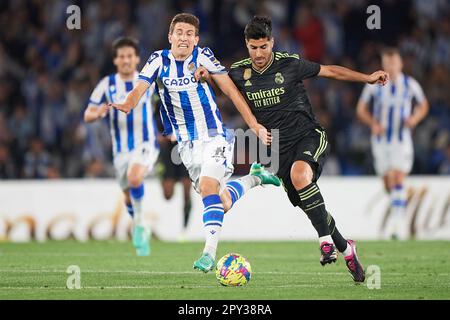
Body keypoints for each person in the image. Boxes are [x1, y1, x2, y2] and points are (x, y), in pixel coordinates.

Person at [196, 16, 389, 283]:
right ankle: (345, 248)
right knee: (312, 207)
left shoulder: (290, 64)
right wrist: (207, 79)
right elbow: (226, 94)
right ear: (247, 45)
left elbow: (330, 70)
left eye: (264, 47)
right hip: (278, 153)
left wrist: (366, 78)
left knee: (301, 177)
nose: (259, 53)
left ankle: (324, 243)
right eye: (254, 47)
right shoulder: (239, 72)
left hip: (308, 136)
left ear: (272, 42)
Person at [110, 13, 280, 273]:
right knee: (220, 201)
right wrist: (127, 104)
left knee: (208, 187)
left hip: (214, 136)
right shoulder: (158, 60)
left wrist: (254, 125)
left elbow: (231, 91)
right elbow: (140, 88)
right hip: (186, 147)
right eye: (179, 32)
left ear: (196, 40)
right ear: (170, 37)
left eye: (190, 34)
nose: (184, 37)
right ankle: (255, 178)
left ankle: (208, 255)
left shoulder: (203, 57)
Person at [84, 37, 160, 256]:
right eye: (122, 56)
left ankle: (139, 225)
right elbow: (87, 114)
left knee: (135, 177)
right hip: (120, 150)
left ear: (137, 59)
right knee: (128, 195)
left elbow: (163, 104)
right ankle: (140, 224)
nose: (126, 60)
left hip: (145, 143)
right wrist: (97, 113)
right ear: (115, 60)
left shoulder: (147, 82)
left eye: (130, 56)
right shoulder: (106, 85)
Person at [357, 47, 429, 240]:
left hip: (401, 140)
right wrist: (373, 123)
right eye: (388, 63)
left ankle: (398, 224)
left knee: (398, 177)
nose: (391, 66)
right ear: (384, 64)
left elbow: (423, 105)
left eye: (394, 62)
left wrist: (414, 119)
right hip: (380, 141)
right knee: (389, 183)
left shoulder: (410, 84)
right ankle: (398, 205)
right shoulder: (375, 83)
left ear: (400, 63)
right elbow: (361, 108)